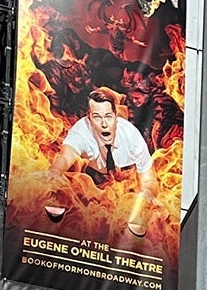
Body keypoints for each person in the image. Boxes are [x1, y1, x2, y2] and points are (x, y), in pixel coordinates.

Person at [52, 87, 157, 245]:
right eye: (97, 117)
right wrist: (54, 172)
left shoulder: (132, 137)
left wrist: (147, 193)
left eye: (108, 116)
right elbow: (65, 157)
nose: (104, 124)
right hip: (86, 201)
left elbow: (149, 179)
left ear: (116, 117)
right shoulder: (81, 132)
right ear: (89, 119)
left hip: (122, 203)